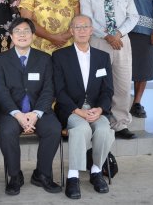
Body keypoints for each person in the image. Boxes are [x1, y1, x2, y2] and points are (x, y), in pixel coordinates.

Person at [0, 17, 62, 196]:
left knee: (53, 129)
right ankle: (15, 176)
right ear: (11, 36)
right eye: (17, 31)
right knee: (7, 132)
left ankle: (42, 174)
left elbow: (49, 89)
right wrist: (18, 114)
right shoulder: (0, 60)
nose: (22, 35)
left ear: (33, 35)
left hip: (39, 110)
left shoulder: (45, 59)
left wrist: (36, 114)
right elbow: (1, 92)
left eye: (26, 31)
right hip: (11, 112)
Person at [53, 15, 115, 199]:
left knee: (104, 130)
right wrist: (77, 110)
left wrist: (100, 109)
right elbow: (59, 90)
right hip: (71, 109)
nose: (81, 30)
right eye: (77, 27)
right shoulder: (60, 56)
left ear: (91, 30)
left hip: (96, 110)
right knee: (80, 129)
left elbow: (108, 90)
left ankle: (96, 171)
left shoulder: (102, 57)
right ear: (71, 31)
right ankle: (73, 175)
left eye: (85, 27)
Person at [80, 0, 139, 139]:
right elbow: (87, 19)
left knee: (122, 83)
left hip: (121, 42)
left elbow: (133, 16)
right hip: (98, 42)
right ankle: (98, 120)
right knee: (97, 83)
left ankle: (120, 123)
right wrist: (107, 36)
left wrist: (118, 34)